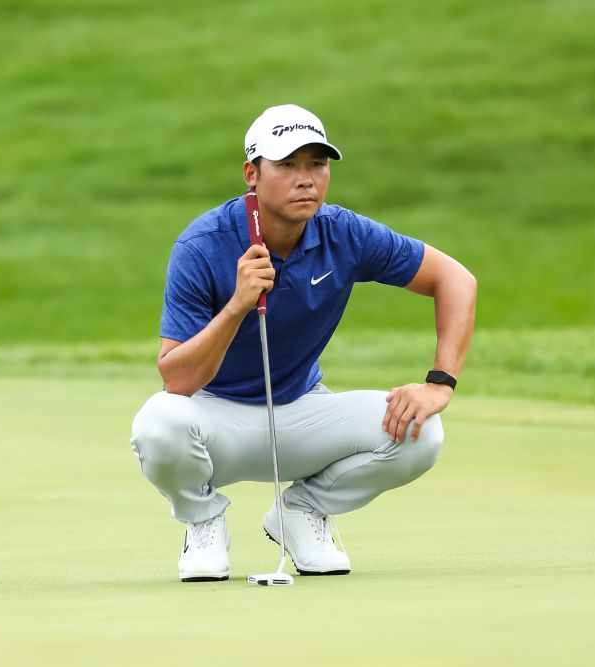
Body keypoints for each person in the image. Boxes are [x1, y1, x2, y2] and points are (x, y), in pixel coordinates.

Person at [129, 104, 477, 582]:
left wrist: (439, 383)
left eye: (317, 163)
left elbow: (455, 279)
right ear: (252, 173)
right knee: (157, 422)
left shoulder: (343, 232)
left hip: (302, 412)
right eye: (287, 165)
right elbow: (177, 378)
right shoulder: (202, 244)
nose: (306, 179)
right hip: (214, 420)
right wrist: (236, 306)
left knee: (422, 433)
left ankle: (301, 510)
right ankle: (202, 521)